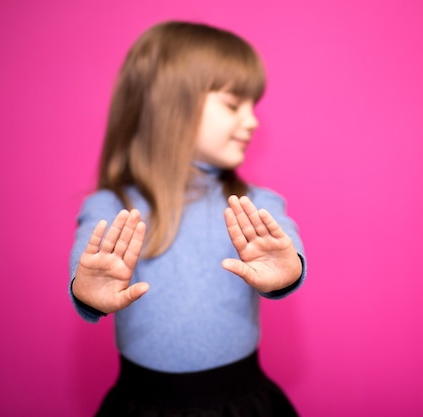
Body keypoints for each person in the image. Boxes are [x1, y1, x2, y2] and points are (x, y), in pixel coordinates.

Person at [68, 21, 307, 417]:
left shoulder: (254, 202)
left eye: (253, 107)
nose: (252, 122)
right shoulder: (111, 204)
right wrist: (86, 289)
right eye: (233, 105)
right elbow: (86, 264)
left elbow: (287, 246)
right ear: (170, 105)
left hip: (242, 404)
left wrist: (289, 268)